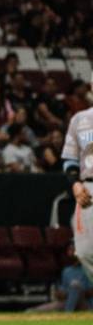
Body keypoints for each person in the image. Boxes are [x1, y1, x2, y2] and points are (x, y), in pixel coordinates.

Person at [62, 106, 93, 282]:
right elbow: (70, 159)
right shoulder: (79, 119)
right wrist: (75, 184)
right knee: (84, 252)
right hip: (88, 189)